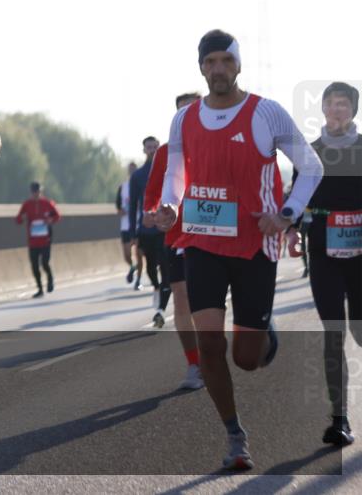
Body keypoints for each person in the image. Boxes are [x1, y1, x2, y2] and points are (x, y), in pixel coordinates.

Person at [154, 29, 323, 470]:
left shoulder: (266, 113)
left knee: (245, 358)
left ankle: (264, 333)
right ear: (201, 68)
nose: (217, 70)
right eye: (209, 62)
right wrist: (170, 206)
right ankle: (235, 436)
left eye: (225, 61)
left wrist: (286, 214)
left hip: (254, 242)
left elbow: (311, 166)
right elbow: (176, 174)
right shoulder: (183, 119)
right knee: (209, 342)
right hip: (202, 241)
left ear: (238, 65)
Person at [287, 82, 361, 447]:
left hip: (361, 256)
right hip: (324, 255)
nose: (337, 110)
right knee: (333, 334)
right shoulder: (310, 153)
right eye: (331, 104)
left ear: (353, 111)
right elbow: (296, 197)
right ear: (324, 109)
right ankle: (340, 419)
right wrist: (291, 230)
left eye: (344, 104)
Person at [142, 92, 204, 389]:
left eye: (192, 110)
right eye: (181, 112)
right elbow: (153, 193)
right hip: (178, 236)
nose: (186, 116)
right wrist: (151, 213)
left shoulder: (220, 142)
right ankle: (194, 363)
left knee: (210, 301)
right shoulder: (165, 152)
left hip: (216, 236)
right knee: (181, 295)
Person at [129, 136, 164, 298]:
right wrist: (132, 233)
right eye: (148, 147)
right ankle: (157, 288)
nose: (152, 150)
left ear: (159, 148)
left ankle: (164, 294)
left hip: (165, 226)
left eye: (154, 147)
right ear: (144, 150)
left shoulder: (168, 171)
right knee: (150, 267)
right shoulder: (137, 176)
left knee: (165, 264)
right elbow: (132, 206)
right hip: (146, 228)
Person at [15, 182, 61, 298]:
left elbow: (57, 216)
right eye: (34, 192)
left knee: (45, 263)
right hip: (33, 241)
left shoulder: (47, 203)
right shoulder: (27, 204)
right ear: (31, 192)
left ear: (41, 192)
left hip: (45, 239)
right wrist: (23, 218)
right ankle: (40, 289)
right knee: (34, 266)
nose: (36, 194)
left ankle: (50, 279)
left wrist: (50, 220)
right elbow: (18, 219)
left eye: (38, 192)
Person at [116, 162, 144, 286]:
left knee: (139, 254)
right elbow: (118, 205)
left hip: (139, 225)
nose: (132, 172)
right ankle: (132, 267)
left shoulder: (141, 185)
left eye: (134, 170)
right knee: (127, 254)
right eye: (130, 170)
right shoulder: (123, 187)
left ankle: (138, 280)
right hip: (125, 225)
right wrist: (121, 211)